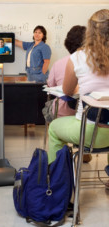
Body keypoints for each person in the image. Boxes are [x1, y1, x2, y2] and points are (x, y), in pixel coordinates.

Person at [48, 9, 109, 168]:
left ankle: (57, 179)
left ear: (90, 32)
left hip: (89, 132)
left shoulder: (78, 57)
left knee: (54, 128)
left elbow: (67, 91)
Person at [47, 25, 86, 118]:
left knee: (48, 107)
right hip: (89, 113)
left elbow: (50, 86)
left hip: (62, 112)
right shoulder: (96, 63)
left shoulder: (58, 64)